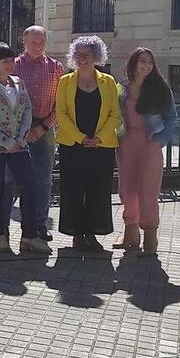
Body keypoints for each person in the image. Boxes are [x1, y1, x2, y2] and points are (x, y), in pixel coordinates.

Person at [0, 42, 46, 254]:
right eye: (5, 61)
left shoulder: (19, 83)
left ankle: (29, 235)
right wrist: (6, 142)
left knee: (30, 187)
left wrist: (21, 136)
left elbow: (27, 110)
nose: (10, 64)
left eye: (11, 60)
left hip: (19, 144)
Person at [56, 36, 121, 252]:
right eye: (78, 55)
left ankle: (92, 233)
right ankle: (76, 233)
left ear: (96, 57)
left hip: (102, 146)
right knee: (73, 190)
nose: (82, 59)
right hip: (73, 145)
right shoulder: (65, 81)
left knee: (98, 190)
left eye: (87, 55)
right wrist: (80, 137)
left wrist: (99, 137)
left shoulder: (108, 81)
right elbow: (61, 113)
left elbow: (115, 114)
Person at [115, 47, 176, 257]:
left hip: (150, 143)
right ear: (133, 63)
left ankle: (150, 236)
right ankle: (130, 234)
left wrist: (160, 140)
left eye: (150, 62)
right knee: (127, 189)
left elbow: (171, 118)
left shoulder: (160, 87)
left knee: (148, 191)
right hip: (127, 141)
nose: (147, 66)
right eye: (142, 61)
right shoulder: (121, 87)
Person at [9, 26, 65, 241]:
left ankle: (40, 223)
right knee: (13, 178)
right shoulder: (12, 66)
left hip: (45, 128)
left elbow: (62, 104)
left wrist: (44, 127)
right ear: (24, 42)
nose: (37, 46)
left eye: (41, 42)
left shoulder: (56, 68)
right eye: (33, 42)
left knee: (43, 179)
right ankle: (17, 225)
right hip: (17, 129)